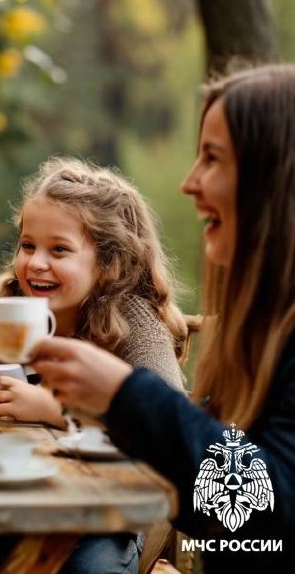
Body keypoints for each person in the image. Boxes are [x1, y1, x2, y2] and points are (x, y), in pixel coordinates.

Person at [30, 64, 295, 570]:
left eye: (212, 158)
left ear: (271, 176)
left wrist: (123, 395)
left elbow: (269, 514)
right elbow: (221, 516)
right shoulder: (263, 325)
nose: (189, 182)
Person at [0, 156, 187, 427]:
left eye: (59, 250)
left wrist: (53, 410)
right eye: (28, 246)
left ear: (108, 263)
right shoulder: (13, 312)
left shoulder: (135, 321)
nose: (36, 263)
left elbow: (169, 423)